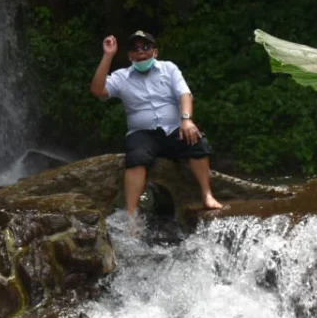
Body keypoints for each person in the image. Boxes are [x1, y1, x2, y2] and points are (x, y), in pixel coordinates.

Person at [90, 31, 224, 220]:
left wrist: (186, 119)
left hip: (173, 129)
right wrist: (108, 55)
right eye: (135, 49)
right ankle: (131, 215)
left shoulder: (169, 69)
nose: (141, 52)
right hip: (142, 134)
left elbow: (184, 95)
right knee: (136, 158)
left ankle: (207, 195)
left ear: (155, 51)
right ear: (130, 56)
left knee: (197, 142)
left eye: (146, 47)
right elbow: (97, 90)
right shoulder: (122, 77)